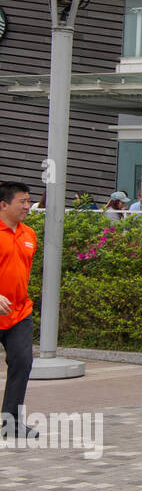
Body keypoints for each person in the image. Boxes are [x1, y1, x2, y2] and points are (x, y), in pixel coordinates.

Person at [0, 182, 38, 439]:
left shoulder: (29, 235)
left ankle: (10, 425)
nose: (27, 206)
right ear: (4, 205)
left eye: (28, 201)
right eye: (22, 202)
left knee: (22, 362)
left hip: (20, 312)